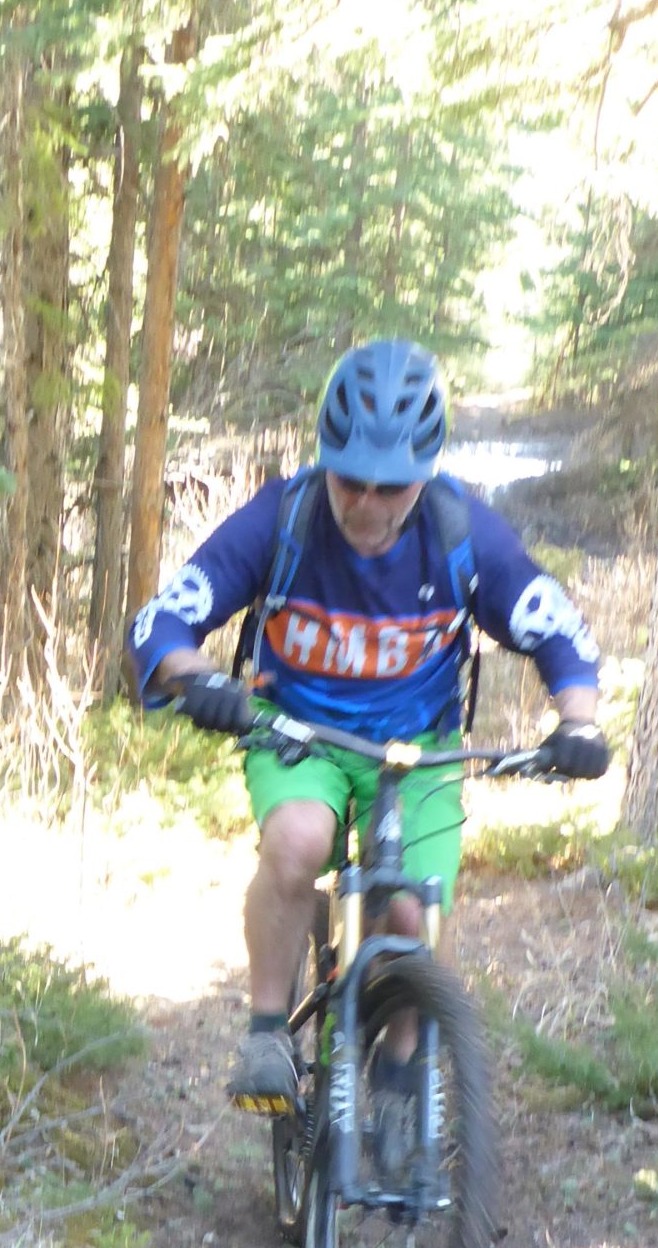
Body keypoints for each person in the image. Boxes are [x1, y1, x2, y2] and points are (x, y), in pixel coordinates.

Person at [127, 335, 608, 1107]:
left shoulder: (460, 530)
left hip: (419, 748)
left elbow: (559, 631)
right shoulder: (283, 517)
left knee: (415, 908)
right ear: (325, 461)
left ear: (426, 474)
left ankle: (403, 1069)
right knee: (296, 843)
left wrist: (578, 722)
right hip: (299, 734)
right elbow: (163, 621)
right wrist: (194, 678)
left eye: (393, 488)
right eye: (351, 480)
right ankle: (266, 1034)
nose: (368, 504)